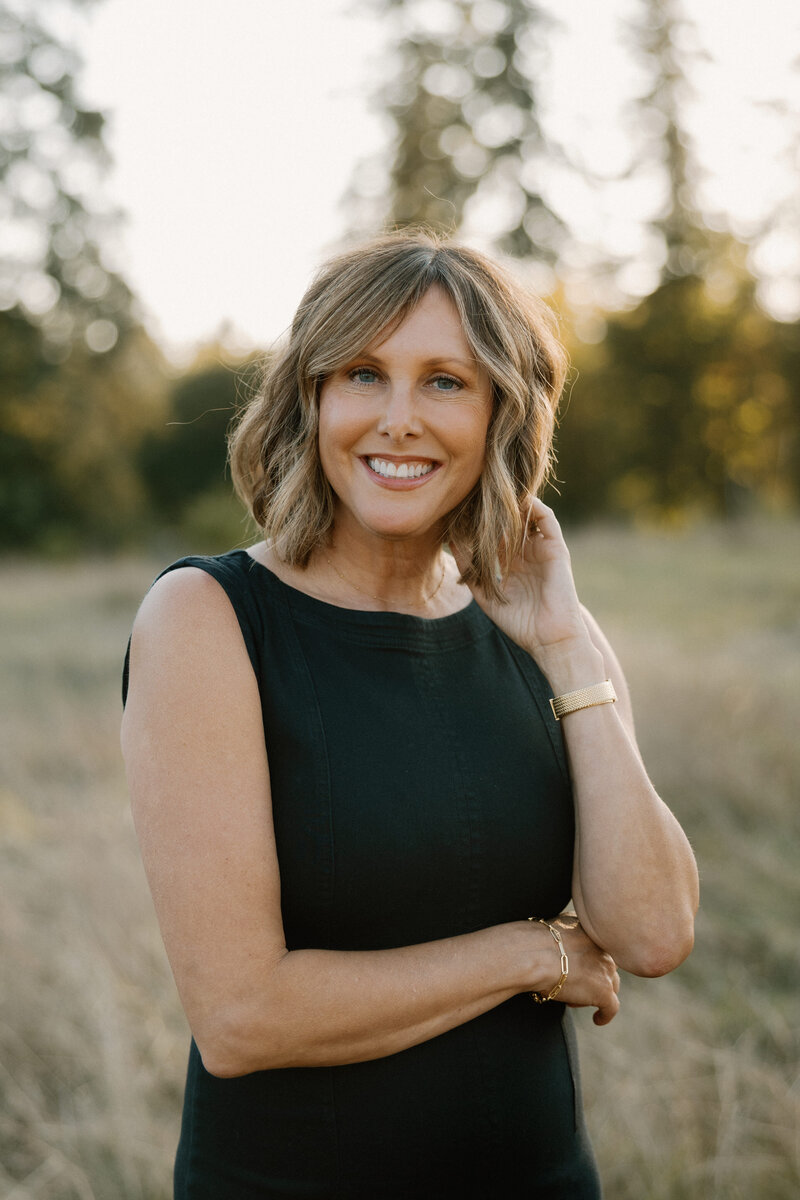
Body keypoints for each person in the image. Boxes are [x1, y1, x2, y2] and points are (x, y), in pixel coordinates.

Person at [121, 231, 699, 1199]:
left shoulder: (546, 628)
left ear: (500, 413)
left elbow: (649, 935)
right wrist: (528, 952)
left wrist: (563, 647)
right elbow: (240, 1017)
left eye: (444, 382)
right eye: (362, 374)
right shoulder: (207, 619)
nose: (398, 421)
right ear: (310, 400)